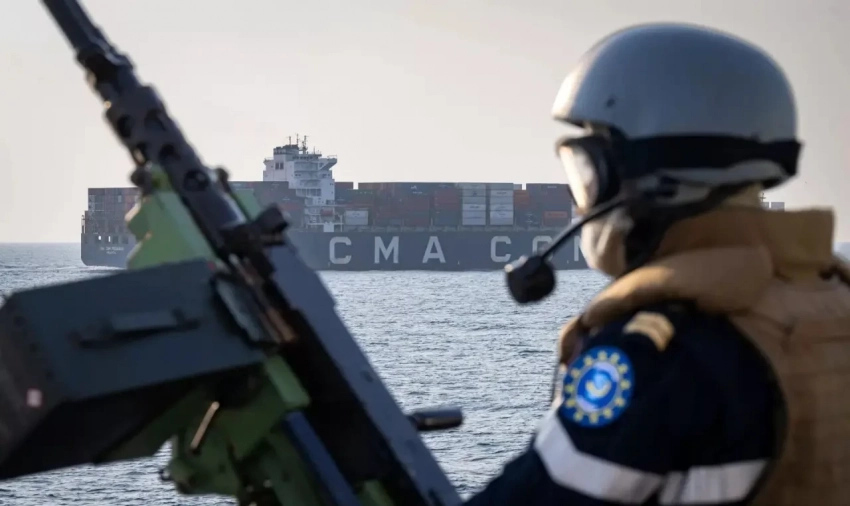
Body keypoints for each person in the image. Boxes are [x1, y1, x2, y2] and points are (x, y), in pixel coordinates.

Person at [464, 22, 850, 506]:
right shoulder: (832, 304)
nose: (580, 201)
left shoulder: (659, 356)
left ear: (652, 179)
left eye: (588, 170)